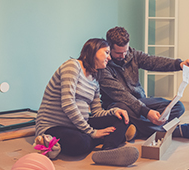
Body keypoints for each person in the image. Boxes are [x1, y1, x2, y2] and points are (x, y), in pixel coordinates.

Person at [35, 38, 139, 166]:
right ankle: (111, 139)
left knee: (121, 117)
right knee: (80, 143)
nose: (109, 58)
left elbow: (96, 112)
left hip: (78, 125)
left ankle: (108, 151)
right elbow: (68, 104)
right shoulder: (73, 66)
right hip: (53, 125)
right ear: (94, 50)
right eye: (106, 52)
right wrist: (92, 132)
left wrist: (115, 111)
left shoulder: (95, 81)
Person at [99, 26, 189, 140]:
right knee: (122, 111)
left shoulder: (133, 54)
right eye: (118, 53)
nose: (123, 56)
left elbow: (154, 61)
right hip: (117, 105)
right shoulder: (103, 65)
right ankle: (173, 131)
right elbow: (121, 95)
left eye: (125, 52)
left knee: (178, 107)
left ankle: (138, 130)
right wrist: (146, 112)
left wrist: (179, 64)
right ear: (109, 48)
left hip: (140, 101)